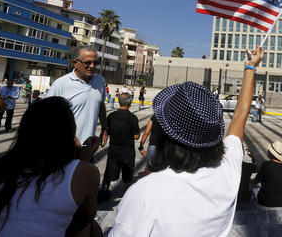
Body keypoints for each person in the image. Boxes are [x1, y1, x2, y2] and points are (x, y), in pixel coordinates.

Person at [109, 47, 264, 236]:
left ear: (168, 134)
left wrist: (250, 68)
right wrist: (251, 68)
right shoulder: (227, 172)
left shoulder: (143, 193)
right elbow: (240, 115)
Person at [0, 97, 102, 236]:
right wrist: (81, 162)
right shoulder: (86, 172)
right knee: (91, 228)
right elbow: (83, 218)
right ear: (68, 133)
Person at [45, 46, 107, 146]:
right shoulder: (61, 84)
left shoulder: (100, 81)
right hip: (63, 146)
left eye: (95, 63)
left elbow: (100, 105)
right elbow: (45, 114)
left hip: (88, 147)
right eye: (87, 63)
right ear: (75, 63)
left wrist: (105, 128)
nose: (92, 66)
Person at [101, 93, 140, 192]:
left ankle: (103, 191)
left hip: (114, 151)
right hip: (127, 152)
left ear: (119, 102)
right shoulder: (133, 118)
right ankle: (127, 195)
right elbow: (136, 136)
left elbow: (107, 131)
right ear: (129, 103)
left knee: (109, 174)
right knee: (127, 177)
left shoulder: (111, 115)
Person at [252, 141, 282, 207]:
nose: (267, 151)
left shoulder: (266, 165)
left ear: (271, 153)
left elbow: (255, 182)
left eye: (269, 150)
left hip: (266, 201)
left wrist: (248, 179)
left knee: (255, 189)